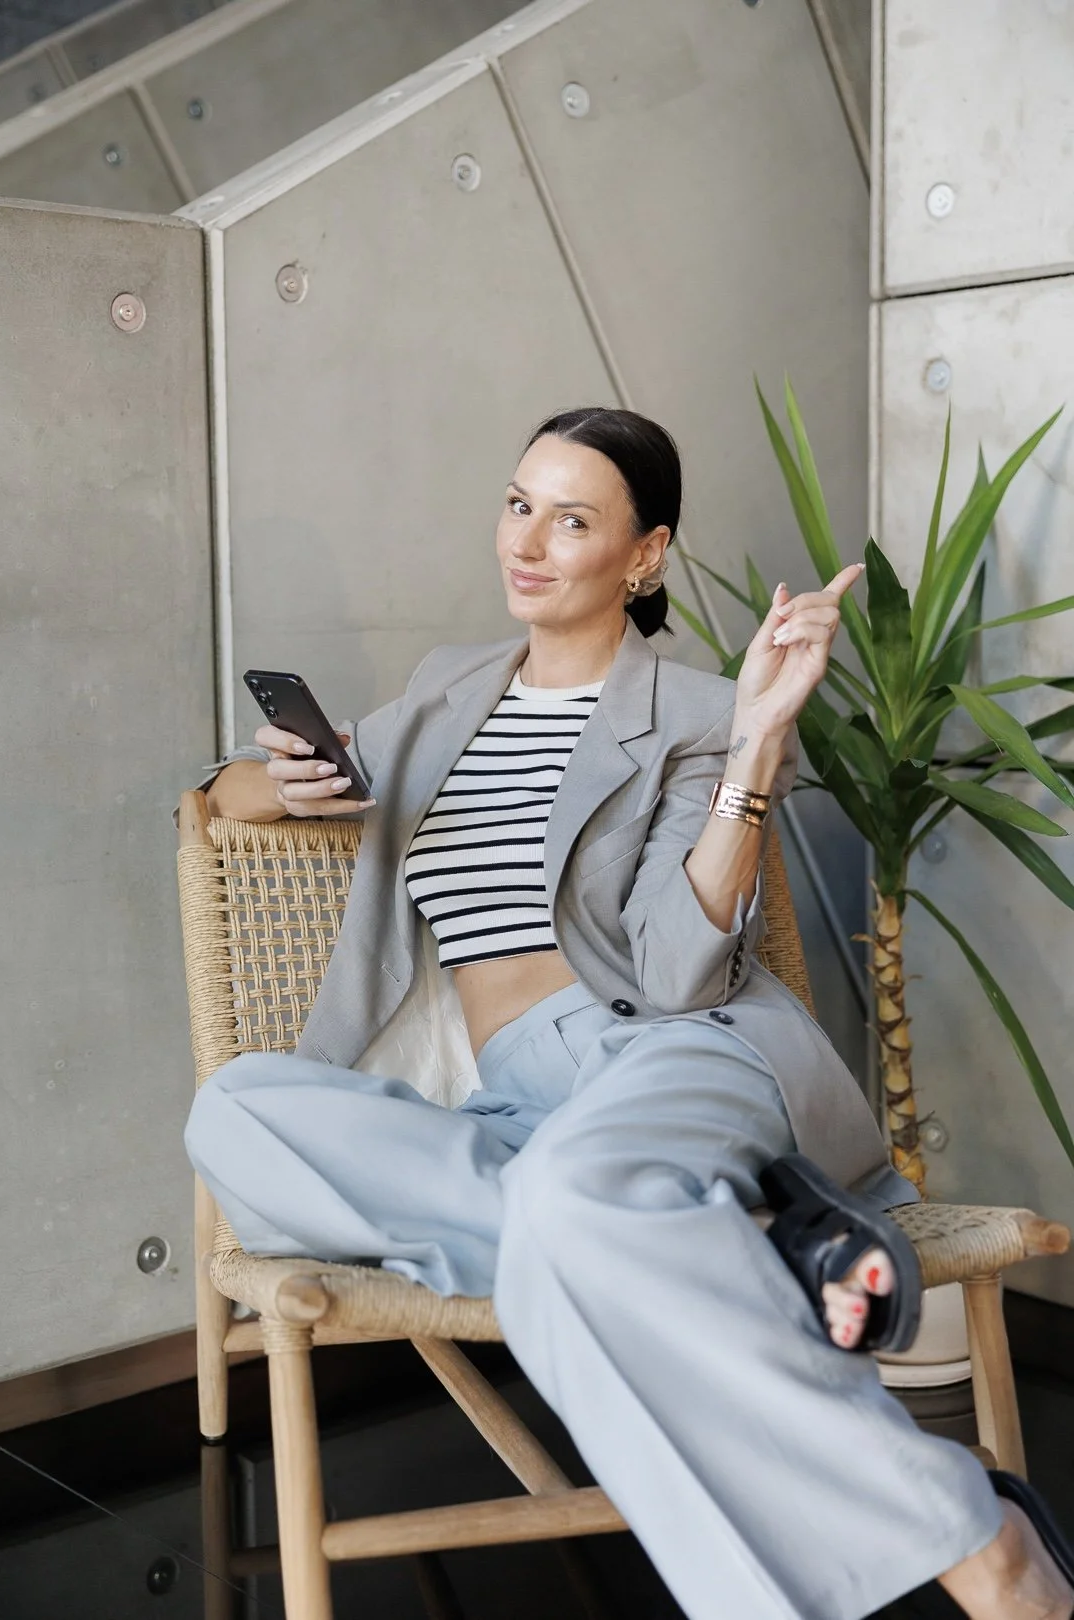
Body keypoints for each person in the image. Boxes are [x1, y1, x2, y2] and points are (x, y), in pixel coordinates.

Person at [185, 406, 1073, 1619]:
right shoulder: (448, 694)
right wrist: (280, 779)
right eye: (517, 504)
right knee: (237, 1113)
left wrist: (759, 747)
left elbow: (675, 974)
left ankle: (978, 1546)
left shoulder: (707, 710)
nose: (528, 542)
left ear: (644, 555)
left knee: (573, 1202)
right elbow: (236, 790)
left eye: (572, 518)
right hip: (514, 1106)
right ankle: (716, 1237)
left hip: (671, 1053)